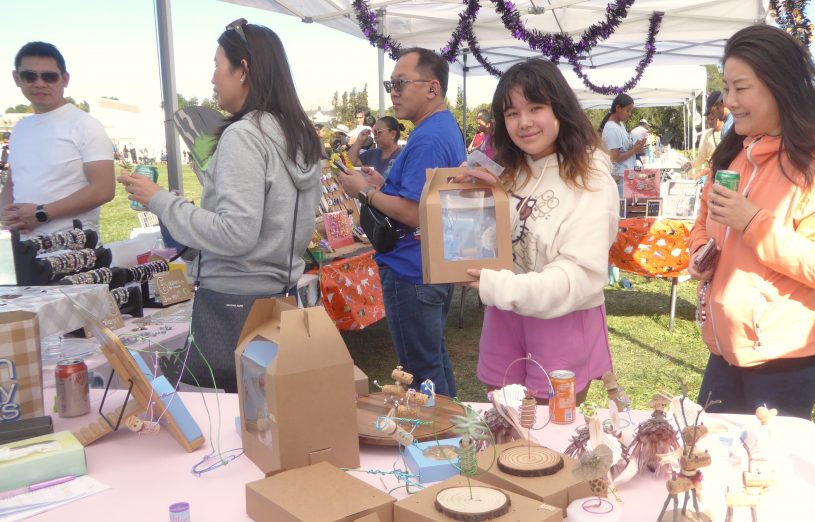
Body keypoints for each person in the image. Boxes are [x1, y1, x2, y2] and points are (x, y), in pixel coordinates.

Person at [118, 19, 322, 393]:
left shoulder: (245, 135)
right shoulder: (297, 135)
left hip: (234, 307)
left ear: (242, 69)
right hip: (279, 297)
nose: (213, 78)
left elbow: (236, 233)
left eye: (217, 64)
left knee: (225, 418)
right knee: (264, 416)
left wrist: (160, 200)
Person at [688, 24, 815, 419]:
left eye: (740, 88)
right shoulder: (731, 157)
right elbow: (702, 225)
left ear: (780, 86)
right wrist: (699, 252)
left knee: (762, 472)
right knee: (710, 461)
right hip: (725, 351)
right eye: (726, 88)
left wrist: (754, 223)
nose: (729, 101)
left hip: (787, 360)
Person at [461, 59, 619, 402]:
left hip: (562, 320)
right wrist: (481, 200)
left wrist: (496, 285)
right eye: (512, 113)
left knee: (549, 436)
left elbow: (578, 277)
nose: (524, 122)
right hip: (506, 314)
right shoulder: (514, 171)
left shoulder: (591, 178)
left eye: (536, 108)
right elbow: (506, 240)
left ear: (560, 109)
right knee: (505, 422)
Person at [338, 47, 466, 397]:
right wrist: (382, 184)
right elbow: (422, 198)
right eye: (389, 84)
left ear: (432, 88)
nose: (393, 92)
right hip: (427, 266)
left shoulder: (427, 138)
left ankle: (435, 443)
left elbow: (413, 212)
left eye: (400, 83)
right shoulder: (440, 127)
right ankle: (452, 432)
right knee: (433, 360)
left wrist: (364, 191)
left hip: (412, 271)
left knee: (420, 372)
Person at [0, 42, 114, 237]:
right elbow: (12, 183)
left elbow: (103, 189)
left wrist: (41, 214)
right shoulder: (20, 128)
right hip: (22, 247)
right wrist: (4, 215)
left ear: (65, 79)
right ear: (17, 78)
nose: (39, 83)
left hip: (73, 252)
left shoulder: (84, 125)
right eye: (29, 76)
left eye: (49, 76)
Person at [599, 93, 645, 198]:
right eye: (628, 110)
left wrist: (635, 146)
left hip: (626, 175)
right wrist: (634, 150)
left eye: (631, 111)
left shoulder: (620, 125)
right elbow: (615, 158)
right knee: (622, 210)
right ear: (618, 108)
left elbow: (624, 148)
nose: (629, 114)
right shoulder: (612, 129)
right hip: (620, 177)